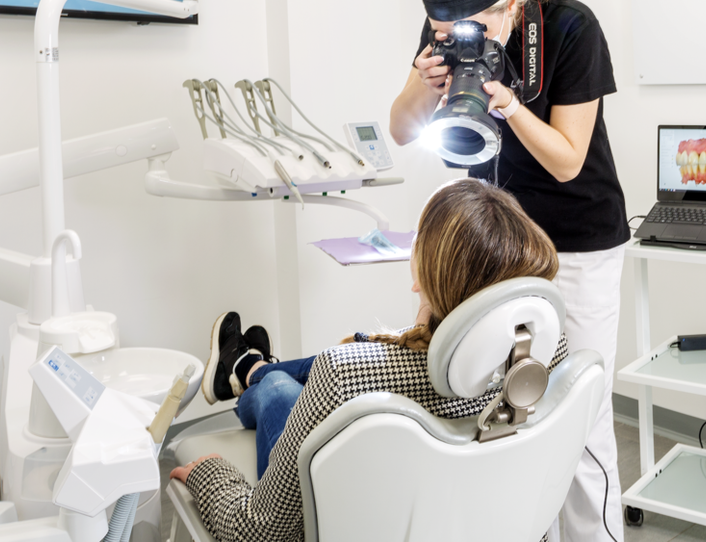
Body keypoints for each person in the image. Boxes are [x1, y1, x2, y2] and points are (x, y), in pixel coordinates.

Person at [390, 0, 629, 542]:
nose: (459, 38)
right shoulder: (448, 31)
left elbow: (567, 161)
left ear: (511, 1)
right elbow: (402, 130)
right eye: (443, 30)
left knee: (577, 413)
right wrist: (423, 81)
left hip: (577, 241)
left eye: (473, 28)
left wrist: (511, 107)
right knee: (498, 410)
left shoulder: (571, 28)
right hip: (495, 239)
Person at [170, 177, 566, 542]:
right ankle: (248, 367)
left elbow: (257, 531)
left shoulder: (346, 373)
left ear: (419, 277)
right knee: (301, 372)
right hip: (475, 522)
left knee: (277, 389)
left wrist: (209, 473)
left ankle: (252, 373)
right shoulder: (541, 361)